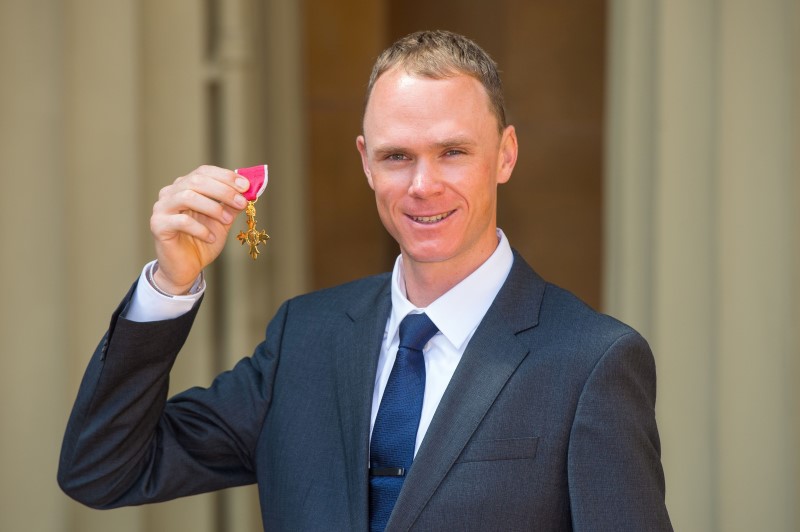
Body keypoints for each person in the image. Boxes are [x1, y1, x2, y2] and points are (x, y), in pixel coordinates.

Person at [58, 30, 672, 531]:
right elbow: (103, 470)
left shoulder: (593, 361)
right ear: (364, 162)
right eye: (396, 156)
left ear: (506, 154)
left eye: (452, 152)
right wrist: (169, 284)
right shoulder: (306, 337)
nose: (422, 185)